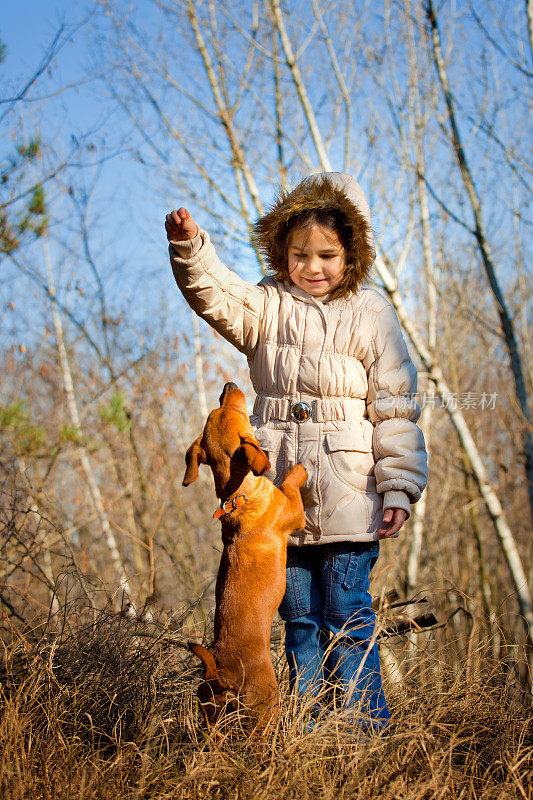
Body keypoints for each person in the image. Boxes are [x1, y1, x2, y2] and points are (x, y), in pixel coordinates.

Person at [165, 173, 428, 732]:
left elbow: (396, 406)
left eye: (328, 255)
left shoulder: (371, 312)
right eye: (299, 254)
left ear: (352, 252)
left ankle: (362, 733)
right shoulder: (267, 305)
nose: (313, 267)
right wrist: (191, 250)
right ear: (281, 251)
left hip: (353, 497)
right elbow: (216, 293)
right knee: (299, 620)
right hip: (283, 500)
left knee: (346, 617)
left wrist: (400, 485)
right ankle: (309, 732)